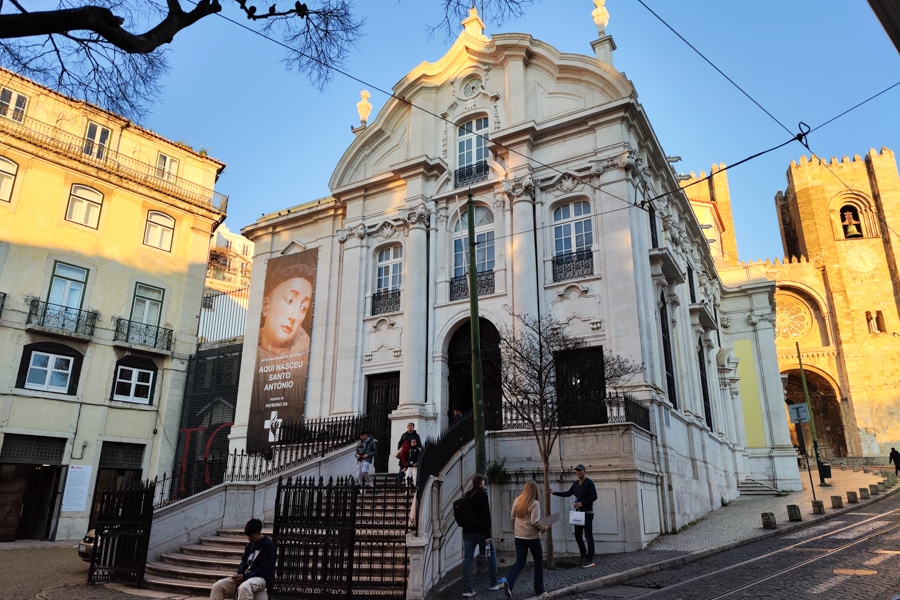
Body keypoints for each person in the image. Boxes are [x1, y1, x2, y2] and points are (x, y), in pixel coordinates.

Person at [249, 256, 316, 452]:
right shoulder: (253, 358)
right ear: (265, 305)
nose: (295, 316)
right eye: (289, 300)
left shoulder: (305, 356)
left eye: (303, 307)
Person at [461, 473, 506, 597]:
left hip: (467, 532)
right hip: (481, 533)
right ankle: (494, 582)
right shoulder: (482, 495)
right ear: (481, 483)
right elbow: (486, 516)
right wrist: (488, 534)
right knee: (491, 555)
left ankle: (467, 589)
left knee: (467, 560)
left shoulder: (467, 495)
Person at [503, 480, 550, 599]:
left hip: (519, 536)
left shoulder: (518, 499)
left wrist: (515, 529)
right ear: (535, 490)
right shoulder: (534, 503)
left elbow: (512, 517)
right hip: (532, 537)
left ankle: (509, 582)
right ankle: (539, 589)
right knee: (538, 563)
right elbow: (535, 522)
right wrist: (544, 528)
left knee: (519, 562)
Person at [209, 518, 275, 600]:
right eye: (248, 536)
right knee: (217, 586)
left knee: (244, 587)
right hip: (246, 576)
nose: (249, 539)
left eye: (251, 536)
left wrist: (245, 577)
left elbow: (265, 570)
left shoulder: (268, 546)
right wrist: (238, 573)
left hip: (261, 578)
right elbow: (244, 562)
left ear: (259, 533)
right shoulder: (249, 545)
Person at [552, 464, 598, 568]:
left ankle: (589, 558)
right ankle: (583, 555)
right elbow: (568, 493)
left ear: (584, 471)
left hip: (587, 513)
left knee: (588, 535)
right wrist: (555, 493)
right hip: (578, 514)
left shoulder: (589, 483)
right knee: (577, 535)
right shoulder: (576, 484)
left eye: (580, 470)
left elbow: (594, 496)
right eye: (577, 471)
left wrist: (583, 503)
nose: (578, 472)